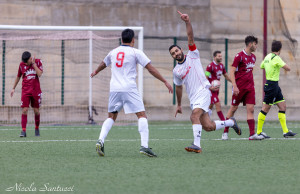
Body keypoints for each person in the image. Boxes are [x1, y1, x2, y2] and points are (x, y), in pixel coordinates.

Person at [91, 28, 173, 157]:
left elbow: (103, 63)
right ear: (133, 40)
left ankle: (100, 140)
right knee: (142, 115)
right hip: (129, 88)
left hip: (114, 88)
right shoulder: (135, 52)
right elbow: (150, 68)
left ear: (121, 39)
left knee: (111, 116)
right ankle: (144, 146)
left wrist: (96, 71)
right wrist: (164, 81)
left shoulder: (113, 52)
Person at [169, 11, 241, 153]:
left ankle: (197, 145)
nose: (176, 53)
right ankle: (231, 122)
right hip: (193, 98)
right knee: (208, 126)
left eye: (176, 51)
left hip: (204, 92)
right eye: (173, 53)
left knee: (194, 116)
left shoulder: (193, 55)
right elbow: (178, 88)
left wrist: (187, 21)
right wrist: (178, 104)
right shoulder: (176, 71)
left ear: (181, 49)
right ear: (172, 57)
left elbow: (190, 37)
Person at [222, 35, 264, 140]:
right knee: (233, 108)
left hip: (250, 88)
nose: (256, 46)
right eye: (255, 44)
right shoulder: (239, 56)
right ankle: (225, 132)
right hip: (239, 88)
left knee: (251, 109)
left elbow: (250, 71)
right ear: (250, 44)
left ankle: (252, 134)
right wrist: (235, 86)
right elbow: (231, 71)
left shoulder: (253, 57)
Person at [256, 40, 297, 138]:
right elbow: (288, 68)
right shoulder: (276, 58)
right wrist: (279, 64)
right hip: (271, 86)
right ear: (280, 49)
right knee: (265, 109)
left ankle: (285, 131)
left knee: (283, 107)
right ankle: (258, 132)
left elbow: (262, 66)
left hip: (274, 86)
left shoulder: (267, 57)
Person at [11, 51, 43, 137]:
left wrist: (34, 65)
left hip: (36, 91)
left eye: (27, 61)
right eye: (24, 61)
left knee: (36, 111)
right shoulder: (21, 65)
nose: (25, 63)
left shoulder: (38, 62)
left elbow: (39, 74)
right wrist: (13, 88)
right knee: (24, 110)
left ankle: (36, 128)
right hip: (25, 91)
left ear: (30, 58)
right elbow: (18, 76)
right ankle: (23, 131)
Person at [205, 51, 231, 121]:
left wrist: (233, 82)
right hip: (211, 90)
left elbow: (226, 76)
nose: (220, 57)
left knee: (210, 105)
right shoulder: (210, 66)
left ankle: (205, 120)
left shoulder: (221, 66)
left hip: (216, 90)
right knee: (218, 105)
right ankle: (224, 123)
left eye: (221, 56)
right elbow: (205, 78)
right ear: (214, 57)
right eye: (219, 56)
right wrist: (210, 87)